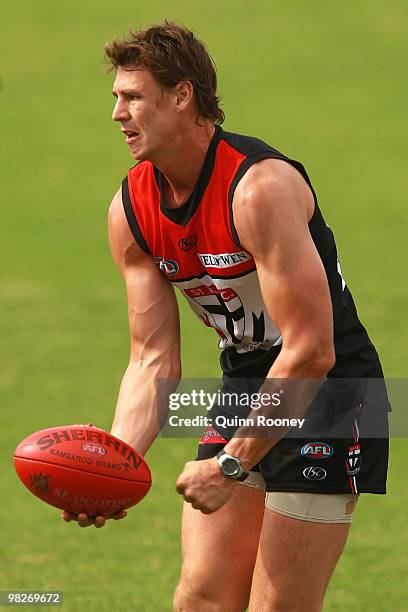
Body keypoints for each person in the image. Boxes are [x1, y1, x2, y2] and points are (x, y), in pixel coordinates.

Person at [62, 21, 389, 611]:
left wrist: (232, 463)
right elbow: (152, 358)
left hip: (333, 390)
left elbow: (313, 348)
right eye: (116, 98)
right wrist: (114, 466)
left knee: (278, 607)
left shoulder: (258, 188)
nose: (118, 113)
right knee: (202, 599)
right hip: (247, 381)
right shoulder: (131, 209)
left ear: (182, 96)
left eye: (132, 96)